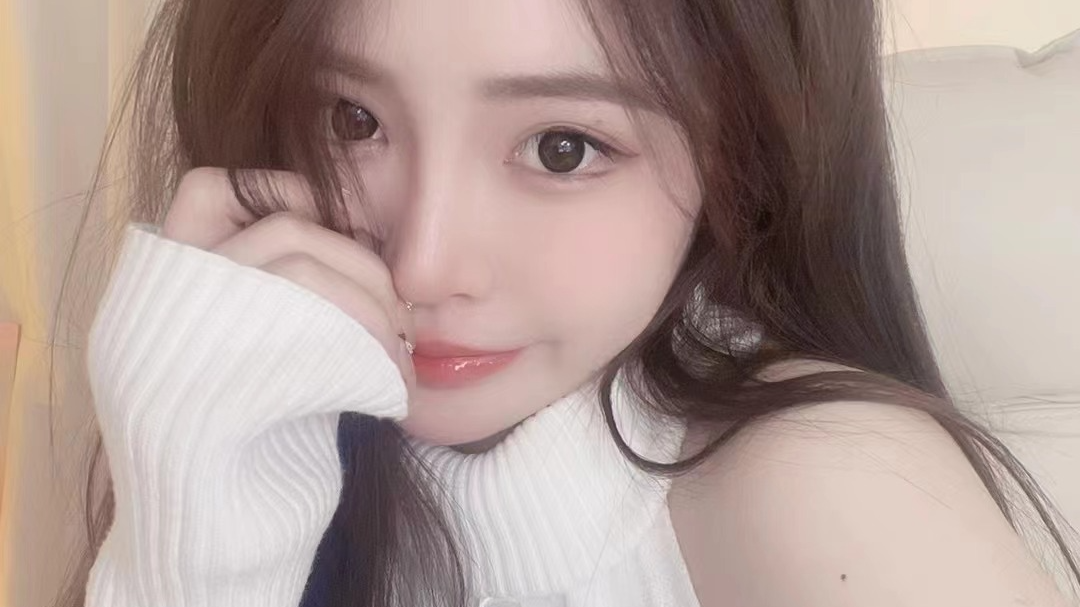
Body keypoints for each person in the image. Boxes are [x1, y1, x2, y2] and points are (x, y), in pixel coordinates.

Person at [48, 0, 1078, 605]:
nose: (422, 264)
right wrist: (198, 529)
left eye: (562, 148)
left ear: (740, 165)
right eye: (350, 118)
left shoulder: (826, 484)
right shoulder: (266, 407)